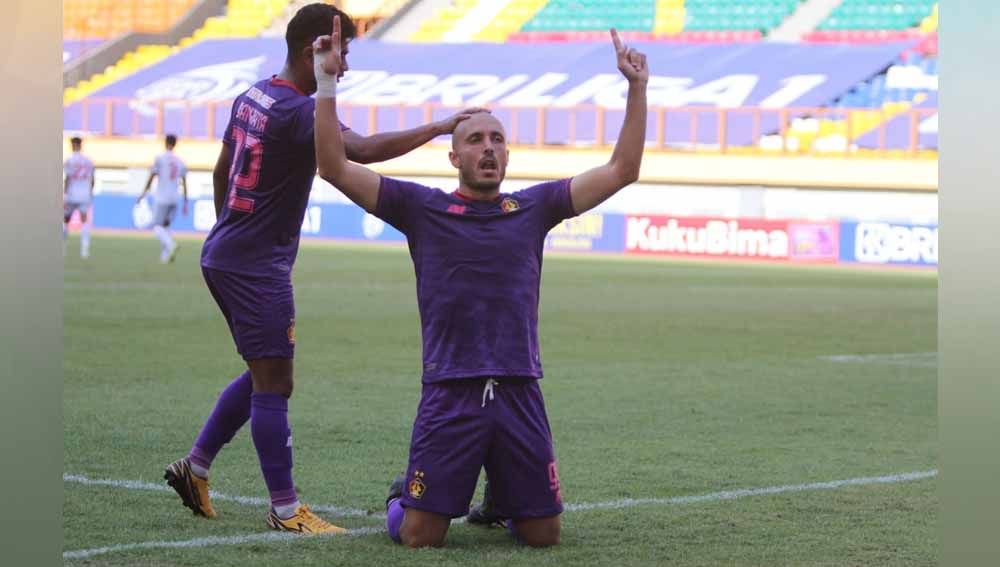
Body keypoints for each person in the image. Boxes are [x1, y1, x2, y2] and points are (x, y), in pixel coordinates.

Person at [313, 18, 649, 547]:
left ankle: (506, 498)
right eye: (474, 140)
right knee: (420, 535)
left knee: (543, 536)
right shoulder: (421, 207)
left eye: (497, 140)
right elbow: (332, 166)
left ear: (508, 156)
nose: (488, 148)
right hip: (451, 390)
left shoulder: (536, 206)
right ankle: (405, 495)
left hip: (519, 387)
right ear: (455, 156)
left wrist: (636, 89)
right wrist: (326, 84)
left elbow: (622, 168)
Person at [163, 3, 484, 535]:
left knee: (265, 371)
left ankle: (194, 468)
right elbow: (359, 150)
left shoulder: (254, 95)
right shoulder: (296, 114)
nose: (347, 66)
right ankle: (286, 511)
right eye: (342, 52)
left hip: (227, 252)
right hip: (253, 268)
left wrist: (231, 230)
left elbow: (222, 170)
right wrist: (441, 126)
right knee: (276, 383)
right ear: (313, 49)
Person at [136, 134, 188, 263]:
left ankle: (171, 245)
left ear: (165, 143)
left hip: (162, 197)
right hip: (175, 198)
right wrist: (186, 201)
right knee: (166, 227)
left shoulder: (160, 158)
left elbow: (152, 176)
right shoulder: (180, 161)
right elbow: (184, 182)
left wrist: (143, 194)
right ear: (175, 144)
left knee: (156, 226)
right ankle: (165, 257)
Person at [63, 136, 95, 258]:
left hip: (71, 193)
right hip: (84, 194)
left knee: (65, 220)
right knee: (84, 221)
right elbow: (92, 179)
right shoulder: (88, 161)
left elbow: (67, 178)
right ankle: (84, 251)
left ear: (72, 145)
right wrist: (90, 192)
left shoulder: (69, 160)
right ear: (81, 145)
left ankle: (63, 248)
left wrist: (64, 194)